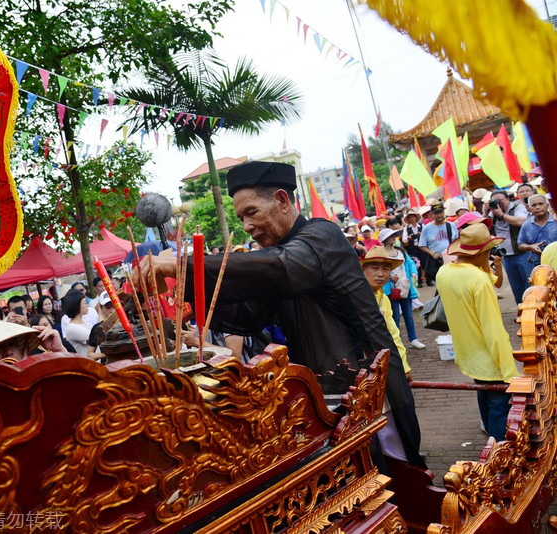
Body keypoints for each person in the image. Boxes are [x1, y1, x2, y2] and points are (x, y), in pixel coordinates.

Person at [138, 160, 426, 468]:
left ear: (282, 200)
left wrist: (183, 265)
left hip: (367, 387)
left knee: (388, 477)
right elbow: (248, 317)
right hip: (319, 393)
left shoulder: (321, 236)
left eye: (251, 212)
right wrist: (184, 286)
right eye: (241, 218)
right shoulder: (277, 257)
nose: (246, 226)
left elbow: (285, 265)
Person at [436, 223, 518, 441]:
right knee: (499, 406)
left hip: (468, 353)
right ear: (482, 253)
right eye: (488, 252)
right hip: (490, 358)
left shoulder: (444, 272)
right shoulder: (478, 280)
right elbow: (493, 329)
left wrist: (491, 267)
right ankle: (498, 452)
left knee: (483, 394)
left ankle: (490, 437)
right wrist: (510, 371)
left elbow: (490, 280)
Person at [360, 246, 412, 378]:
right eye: (374, 268)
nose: (380, 274)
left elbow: (393, 335)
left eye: (386, 269)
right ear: (363, 269)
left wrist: (404, 367)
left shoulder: (383, 298)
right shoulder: (356, 296)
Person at [378, 228, 425, 349]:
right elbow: (379, 269)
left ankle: (413, 339)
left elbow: (410, 263)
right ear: (385, 239)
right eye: (391, 236)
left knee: (408, 315)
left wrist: (414, 273)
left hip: (405, 286)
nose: (394, 237)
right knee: (395, 317)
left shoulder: (400, 251)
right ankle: (396, 340)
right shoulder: (381, 253)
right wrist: (389, 277)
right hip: (391, 289)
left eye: (394, 235)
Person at [487, 189, 528, 303]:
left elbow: (520, 221)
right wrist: (486, 212)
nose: (498, 203)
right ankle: (521, 309)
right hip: (506, 256)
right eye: (495, 201)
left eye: (501, 200)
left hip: (521, 253)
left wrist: (501, 215)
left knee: (528, 283)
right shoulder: (493, 212)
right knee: (516, 287)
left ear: (508, 199)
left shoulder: (517, 207)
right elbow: (483, 225)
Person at [418, 202, 457, 286]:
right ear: (432, 214)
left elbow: (457, 241)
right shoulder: (427, 228)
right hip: (437, 262)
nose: (439, 215)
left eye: (441, 212)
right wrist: (432, 253)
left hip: (452, 261)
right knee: (442, 284)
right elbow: (422, 245)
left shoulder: (451, 226)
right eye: (436, 213)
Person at [517, 194, 557, 274]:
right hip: (536, 265)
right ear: (529, 208)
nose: (537, 207)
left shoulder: (555, 221)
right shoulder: (526, 224)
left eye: (540, 204)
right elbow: (520, 244)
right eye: (534, 205)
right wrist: (531, 247)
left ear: (547, 205)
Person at [62, 290, 94, 358]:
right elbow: (96, 339)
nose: (87, 305)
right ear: (76, 306)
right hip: (89, 362)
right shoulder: (72, 328)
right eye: (85, 303)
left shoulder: (83, 320)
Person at [401, 210, 425, 287]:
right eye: (410, 217)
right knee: (416, 264)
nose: (412, 218)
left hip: (422, 247)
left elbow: (426, 234)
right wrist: (409, 238)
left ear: (415, 218)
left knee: (424, 262)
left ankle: (428, 279)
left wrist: (421, 235)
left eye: (413, 217)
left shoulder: (421, 225)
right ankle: (419, 281)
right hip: (413, 248)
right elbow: (404, 239)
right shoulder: (407, 228)